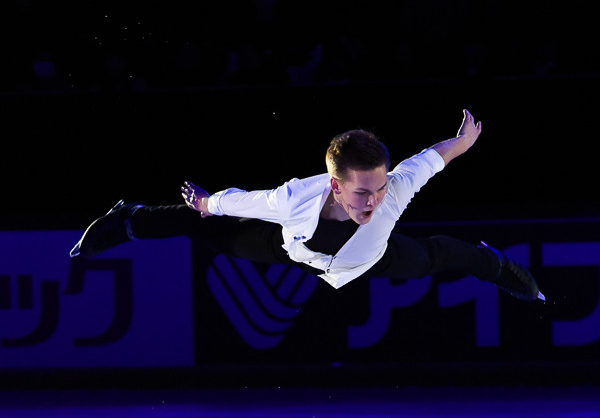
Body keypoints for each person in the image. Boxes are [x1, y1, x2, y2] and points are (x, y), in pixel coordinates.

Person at [70, 110, 544, 301]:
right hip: (292, 248)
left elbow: (429, 159)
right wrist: (209, 202)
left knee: (435, 257)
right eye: (362, 193)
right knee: (202, 225)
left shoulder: (393, 190)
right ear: (336, 186)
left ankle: (499, 266)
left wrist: (463, 143)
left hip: (373, 258)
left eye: (379, 188)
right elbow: (245, 201)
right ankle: (129, 220)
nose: (374, 202)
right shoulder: (293, 199)